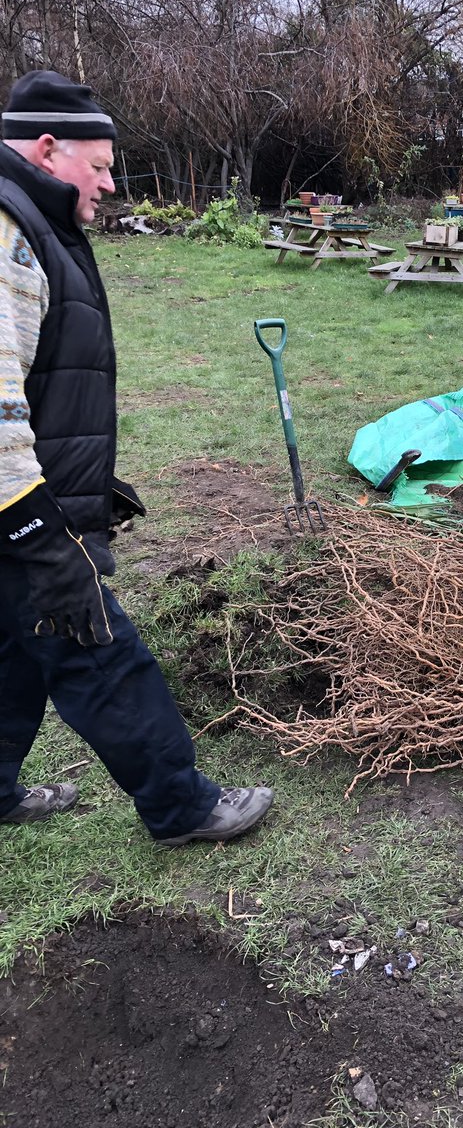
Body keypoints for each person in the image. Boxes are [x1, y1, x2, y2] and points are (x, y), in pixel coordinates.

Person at [0, 70, 273, 844]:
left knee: (14, 653)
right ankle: (180, 805)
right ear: (48, 150)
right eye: (101, 164)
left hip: (25, 496)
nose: (112, 182)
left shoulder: (31, 221)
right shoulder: (9, 235)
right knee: (95, 648)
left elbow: (38, 378)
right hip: (17, 509)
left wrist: (83, 479)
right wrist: (37, 529)